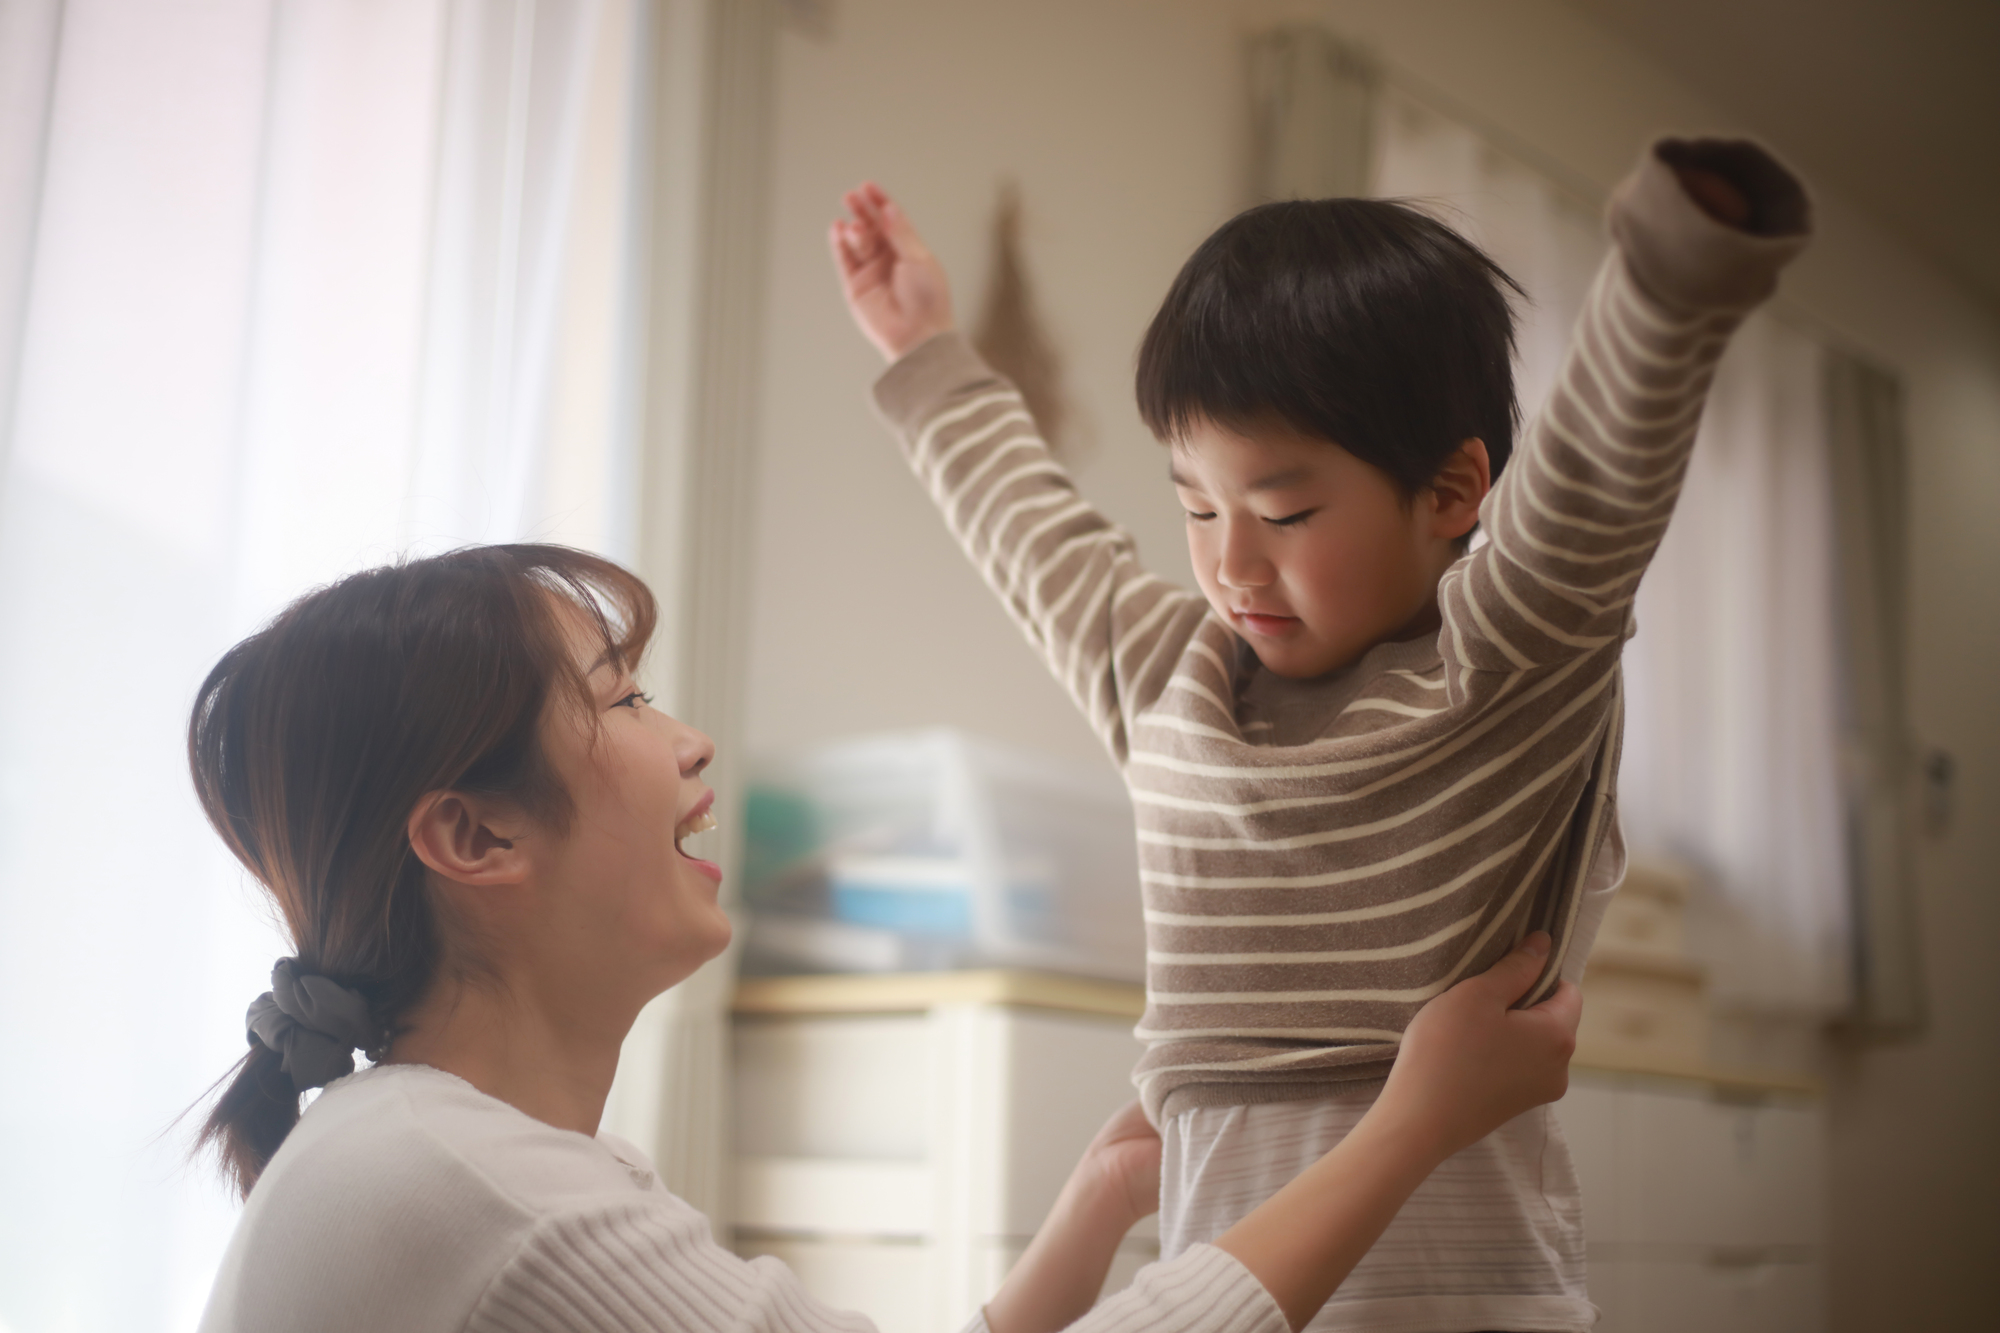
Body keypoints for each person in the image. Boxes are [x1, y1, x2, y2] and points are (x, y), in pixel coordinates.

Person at [828, 138, 1810, 1332]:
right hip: (1222, 1299)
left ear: (1450, 493)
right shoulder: (1169, 676)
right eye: (1193, 503)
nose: (1229, 564)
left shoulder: (1504, 661)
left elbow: (1599, 476)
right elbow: (1029, 527)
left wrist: (1670, 270)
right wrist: (920, 350)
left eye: (1285, 512)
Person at [189, 543, 1581, 1333]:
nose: (690, 741)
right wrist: (1412, 1125)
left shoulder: (462, 1158)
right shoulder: (470, 1191)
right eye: (619, 703)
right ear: (475, 838)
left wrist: (1096, 1207)